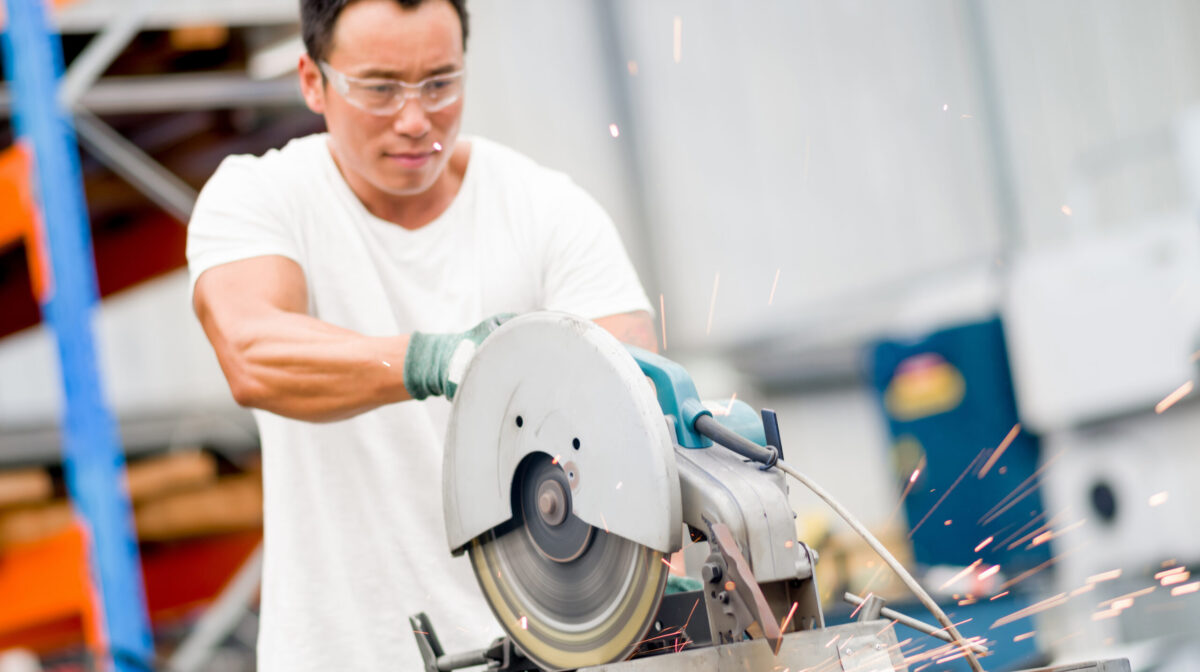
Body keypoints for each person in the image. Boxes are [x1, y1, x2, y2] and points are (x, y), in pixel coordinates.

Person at [186, 0, 657, 668]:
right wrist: (438, 360)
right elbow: (253, 353)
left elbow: (635, 409)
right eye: (379, 89)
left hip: (543, 650)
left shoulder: (548, 211)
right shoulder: (261, 198)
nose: (415, 121)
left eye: (439, 83)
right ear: (312, 81)